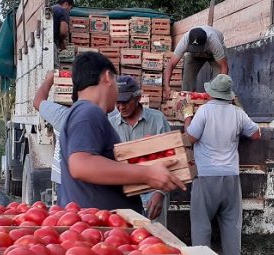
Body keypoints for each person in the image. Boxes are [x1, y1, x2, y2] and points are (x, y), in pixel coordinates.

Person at [59, 51, 185, 212]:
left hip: (101, 225)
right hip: (100, 228)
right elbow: (80, 165)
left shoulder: (82, 112)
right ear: (107, 78)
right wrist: (146, 173)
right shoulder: (89, 112)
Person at [184, 74, 260, 255]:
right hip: (231, 177)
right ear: (229, 95)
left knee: (201, 224)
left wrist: (186, 117)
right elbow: (256, 134)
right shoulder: (238, 113)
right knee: (231, 224)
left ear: (211, 93)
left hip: (206, 176)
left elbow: (190, 138)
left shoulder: (204, 111)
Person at [109, 76, 172, 223]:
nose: (121, 107)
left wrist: (160, 193)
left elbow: (171, 157)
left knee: (157, 241)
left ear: (137, 98)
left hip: (153, 192)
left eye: (125, 102)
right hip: (123, 195)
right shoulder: (110, 124)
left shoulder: (157, 120)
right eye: (118, 103)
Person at [33, 70, 69, 204]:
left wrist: (48, 80)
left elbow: (38, 102)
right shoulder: (105, 115)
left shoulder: (62, 114)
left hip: (64, 179)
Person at [164, 25, 228, 95]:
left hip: (213, 55)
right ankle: (186, 102)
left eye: (199, 48)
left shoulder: (213, 41)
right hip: (193, 56)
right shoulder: (185, 41)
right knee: (187, 81)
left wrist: (220, 89)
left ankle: (216, 101)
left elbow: (224, 67)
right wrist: (167, 87)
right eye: (195, 48)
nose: (198, 51)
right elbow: (171, 64)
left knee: (217, 80)